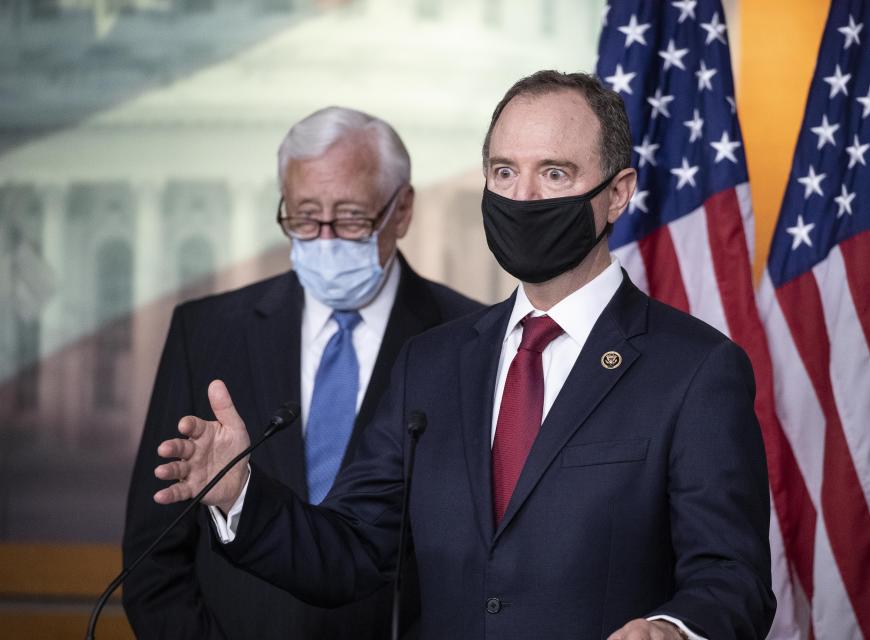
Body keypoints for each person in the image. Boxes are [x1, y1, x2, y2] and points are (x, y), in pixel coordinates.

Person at [153, 71, 776, 640]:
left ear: (617, 194)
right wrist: (241, 493)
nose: (524, 196)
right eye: (504, 172)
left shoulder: (695, 369)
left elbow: (732, 577)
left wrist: (673, 630)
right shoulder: (433, 362)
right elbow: (350, 552)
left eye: (554, 173)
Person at [123, 107, 481, 640]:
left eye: (353, 217)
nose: (326, 238)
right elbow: (155, 558)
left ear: (402, 210)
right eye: (304, 217)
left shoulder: (471, 339)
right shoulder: (205, 332)